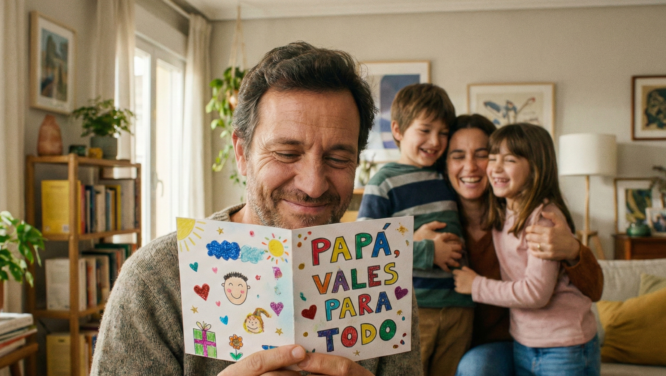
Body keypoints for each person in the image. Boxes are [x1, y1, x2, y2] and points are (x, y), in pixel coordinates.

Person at [90, 42, 423, 376]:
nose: (313, 185)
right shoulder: (155, 281)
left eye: (338, 158)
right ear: (241, 153)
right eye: (286, 153)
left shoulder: (383, 277)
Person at [415, 114, 603, 376]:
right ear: (444, 165)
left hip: (545, 339)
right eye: (458, 156)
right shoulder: (438, 221)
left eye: (481, 154)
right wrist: (413, 244)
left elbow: (593, 289)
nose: (470, 167)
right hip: (490, 343)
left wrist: (573, 250)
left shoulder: (533, 217)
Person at [357, 84, 473, 376]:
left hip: (459, 305)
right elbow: (364, 249)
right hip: (414, 309)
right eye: (425, 130)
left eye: (443, 132)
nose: (435, 141)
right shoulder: (384, 181)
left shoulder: (445, 174)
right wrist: (426, 250)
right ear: (398, 130)